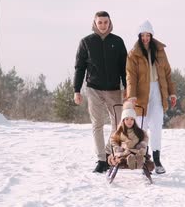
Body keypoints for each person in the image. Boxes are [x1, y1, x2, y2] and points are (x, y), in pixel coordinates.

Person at [74, 11, 127, 173]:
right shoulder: (86, 42)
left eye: (105, 22)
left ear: (109, 23)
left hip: (114, 90)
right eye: (100, 22)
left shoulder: (117, 42)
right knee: (97, 124)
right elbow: (80, 68)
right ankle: (101, 160)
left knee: (118, 125)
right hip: (94, 89)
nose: (103, 25)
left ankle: (107, 152)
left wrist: (127, 88)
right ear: (95, 23)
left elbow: (124, 67)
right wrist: (77, 90)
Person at [125, 20, 177, 174]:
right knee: (142, 127)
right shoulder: (133, 54)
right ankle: (143, 158)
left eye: (148, 35)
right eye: (143, 35)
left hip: (158, 91)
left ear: (151, 35)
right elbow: (130, 76)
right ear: (139, 36)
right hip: (141, 93)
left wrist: (172, 93)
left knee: (157, 127)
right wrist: (131, 95)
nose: (146, 38)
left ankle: (157, 159)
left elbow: (167, 72)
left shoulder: (159, 51)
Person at [108, 102, 149, 170]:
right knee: (122, 157)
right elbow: (113, 139)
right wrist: (117, 147)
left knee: (139, 154)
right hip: (124, 152)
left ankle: (138, 161)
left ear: (134, 121)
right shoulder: (119, 132)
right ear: (123, 120)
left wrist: (141, 145)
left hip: (136, 151)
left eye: (132, 119)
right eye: (127, 119)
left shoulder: (139, 132)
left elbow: (145, 138)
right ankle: (131, 160)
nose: (129, 121)